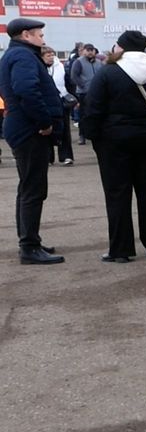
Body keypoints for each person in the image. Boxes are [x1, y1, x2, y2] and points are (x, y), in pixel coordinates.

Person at [81, 30, 146, 263]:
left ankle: (121, 250)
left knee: (117, 193)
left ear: (122, 47)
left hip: (113, 140)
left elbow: (93, 107)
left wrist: (92, 136)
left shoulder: (108, 72)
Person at [0, 18, 65, 265]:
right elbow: (26, 90)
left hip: (22, 128)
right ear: (26, 35)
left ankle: (30, 240)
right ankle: (29, 246)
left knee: (28, 188)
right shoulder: (23, 57)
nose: (43, 39)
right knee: (33, 190)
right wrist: (44, 122)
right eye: (39, 35)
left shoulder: (16, 55)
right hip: (30, 131)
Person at [40, 46, 74, 166]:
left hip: (61, 100)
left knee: (65, 129)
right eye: (48, 55)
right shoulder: (39, 69)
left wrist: (73, 97)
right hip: (45, 102)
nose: (51, 58)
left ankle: (66, 156)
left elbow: (68, 82)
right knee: (47, 129)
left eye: (52, 55)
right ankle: (48, 157)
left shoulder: (60, 67)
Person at [69, 43, 100, 144]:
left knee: (96, 114)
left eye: (92, 50)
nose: (90, 52)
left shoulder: (99, 62)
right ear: (84, 51)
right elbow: (74, 76)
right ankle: (82, 135)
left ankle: (95, 133)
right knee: (83, 115)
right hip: (84, 93)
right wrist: (82, 85)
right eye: (88, 50)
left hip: (97, 93)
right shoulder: (78, 62)